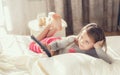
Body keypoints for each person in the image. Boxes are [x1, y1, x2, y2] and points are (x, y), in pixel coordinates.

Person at [29, 23, 113, 64]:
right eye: (82, 37)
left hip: (57, 47)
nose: (81, 41)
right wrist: (50, 48)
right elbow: (58, 44)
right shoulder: (73, 40)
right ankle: (49, 26)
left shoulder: (93, 52)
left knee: (44, 40)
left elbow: (108, 61)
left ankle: (53, 28)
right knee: (32, 45)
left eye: (87, 41)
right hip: (56, 44)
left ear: (94, 45)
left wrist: (98, 47)